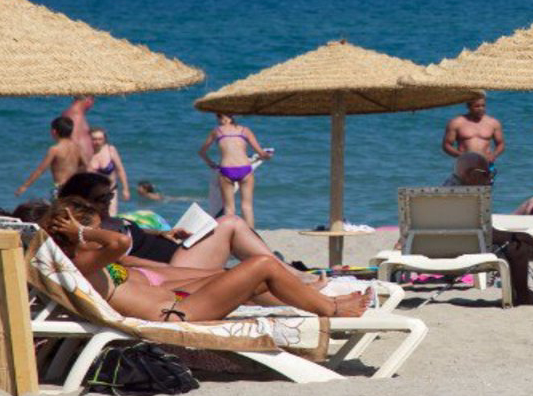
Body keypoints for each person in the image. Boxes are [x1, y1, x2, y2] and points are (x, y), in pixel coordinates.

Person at [41, 196, 369, 321]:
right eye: (95, 229)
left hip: (178, 300)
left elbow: (122, 252)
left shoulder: (89, 264)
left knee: (244, 276)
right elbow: (120, 242)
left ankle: (321, 300)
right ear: (76, 235)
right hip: (178, 314)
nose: (102, 232)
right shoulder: (80, 266)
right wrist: (84, 232)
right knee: (264, 265)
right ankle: (332, 310)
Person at [57, 172, 321, 287]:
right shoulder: (90, 232)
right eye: (102, 198)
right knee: (230, 223)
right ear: (81, 201)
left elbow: (136, 239)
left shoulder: (109, 222)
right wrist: (173, 270)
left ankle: (292, 275)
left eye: (110, 195)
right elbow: (125, 261)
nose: (108, 201)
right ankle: (295, 277)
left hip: (178, 255)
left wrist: (163, 234)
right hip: (175, 269)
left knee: (230, 226)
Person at [441, 152, 533, 305]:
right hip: (462, 252)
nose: (490, 179)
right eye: (487, 174)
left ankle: (520, 293)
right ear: (471, 174)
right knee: (517, 247)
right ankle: (522, 296)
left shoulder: (444, 191)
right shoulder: (467, 195)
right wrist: (520, 236)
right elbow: (487, 234)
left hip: (437, 250)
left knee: (516, 242)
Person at [198, 113, 273, 229]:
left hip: (226, 169)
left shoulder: (217, 131)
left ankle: (231, 234)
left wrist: (210, 163)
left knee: (229, 208)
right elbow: (261, 153)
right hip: (244, 168)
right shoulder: (244, 130)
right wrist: (267, 155)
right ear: (232, 117)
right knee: (247, 206)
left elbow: (202, 152)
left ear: (219, 117)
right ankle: (251, 235)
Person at [16, 116, 90, 197]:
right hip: (75, 187)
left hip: (61, 188)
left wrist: (24, 186)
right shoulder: (78, 147)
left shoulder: (54, 149)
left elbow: (40, 170)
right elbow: (86, 165)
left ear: (54, 132)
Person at [442, 94, 505, 167]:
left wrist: (493, 155)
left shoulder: (493, 123)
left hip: (486, 163)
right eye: (477, 106)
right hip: (465, 164)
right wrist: (461, 156)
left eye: (483, 106)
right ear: (468, 106)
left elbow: (501, 144)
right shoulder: (456, 123)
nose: (481, 108)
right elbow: (446, 145)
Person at [88, 127, 130, 217]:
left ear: (104, 139)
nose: (97, 142)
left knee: (111, 216)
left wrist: (125, 189)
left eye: (100, 139)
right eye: (94, 139)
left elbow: (120, 170)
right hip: (93, 193)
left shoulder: (110, 150)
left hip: (111, 190)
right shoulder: (86, 153)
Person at [61, 95, 95, 163]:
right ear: (88, 99)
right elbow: (73, 140)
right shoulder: (75, 115)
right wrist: (86, 163)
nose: (92, 106)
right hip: (79, 163)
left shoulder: (73, 113)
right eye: (93, 101)